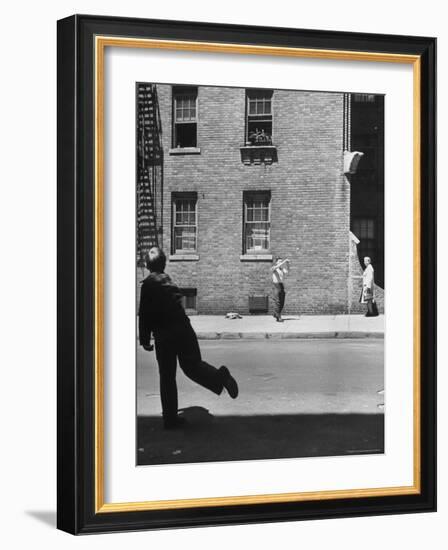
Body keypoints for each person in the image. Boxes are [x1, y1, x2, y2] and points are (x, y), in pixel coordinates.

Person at [139, 247, 239, 429]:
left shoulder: (148, 285)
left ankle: (170, 419)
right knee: (192, 367)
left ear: (147, 265)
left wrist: (144, 339)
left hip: (164, 334)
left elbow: (144, 314)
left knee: (167, 377)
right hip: (184, 329)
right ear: (164, 264)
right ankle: (220, 377)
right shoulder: (169, 281)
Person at [271, 256, 290, 322]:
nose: (281, 262)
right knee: (278, 301)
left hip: (281, 285)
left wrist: (287, 264)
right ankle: (278, 317)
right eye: (279, 261)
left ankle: (276, 313)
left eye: (281, 261)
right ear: (276, 262)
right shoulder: (274, 268)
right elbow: (275, 267)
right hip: (276, 285)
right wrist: (284, 261)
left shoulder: (281, 269)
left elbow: (287, 272)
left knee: (282, 301)